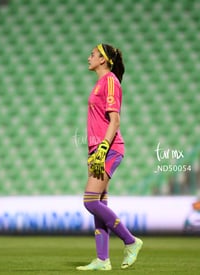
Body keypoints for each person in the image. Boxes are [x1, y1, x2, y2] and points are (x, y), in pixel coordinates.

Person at [76, 43, 143, 271]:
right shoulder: (100, 83)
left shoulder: (111, 81)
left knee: (90, 200)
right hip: (97, 150)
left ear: (103, 59)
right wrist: (95, 151)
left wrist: (103, 147)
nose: (89, 57)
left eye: (92, 54)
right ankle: (103, 260)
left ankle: (131, 241)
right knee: (100, 203)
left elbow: (115, 120)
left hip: (109, 149)